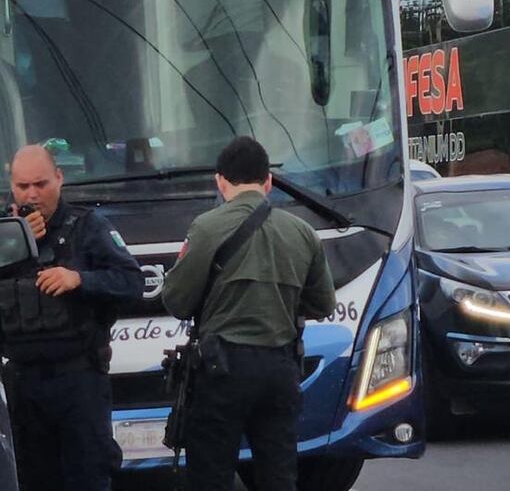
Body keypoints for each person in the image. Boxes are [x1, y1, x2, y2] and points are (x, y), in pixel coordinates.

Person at [162, 136, 335, 491]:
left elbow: (177, 301)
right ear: (268, 180)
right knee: (278, 474)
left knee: (211, 472)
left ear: (220, 181)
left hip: (221, 368)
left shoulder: (206, 228)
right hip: (280, 368)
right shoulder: (303, 233)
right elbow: (323, 304)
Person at [1, 145, 145, 491]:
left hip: (78, 380)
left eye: (41, 184)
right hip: (22, 383)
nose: (32, 194)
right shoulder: (3, 233)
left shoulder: (87, 226)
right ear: (11, 186)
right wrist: (14, 244)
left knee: (88, 476)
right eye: (23, 186)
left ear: (59, 179)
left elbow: (133, 282)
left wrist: (80, 279)